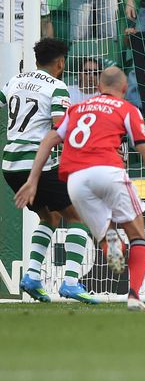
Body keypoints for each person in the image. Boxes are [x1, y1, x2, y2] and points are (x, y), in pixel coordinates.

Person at [15, 66, 145, 313]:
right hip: (108, 172)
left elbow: (48, 140)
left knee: (106, 234)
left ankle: (111, 244)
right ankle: (135, 297)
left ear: (98, 87)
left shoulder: (75, 109)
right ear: (125, 89)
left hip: (75, 180)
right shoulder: (127, 109)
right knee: (138, 234)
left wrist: (32, 180)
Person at [3, 39, 98, 304]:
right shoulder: (57, 87)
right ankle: (70, 283)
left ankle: (32, 277)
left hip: (10, 164)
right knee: (79, 216)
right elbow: (60, 128)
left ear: (36, 60)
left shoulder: (15, 80)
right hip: (38, 164)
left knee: (51, 217)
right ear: (60, 62)